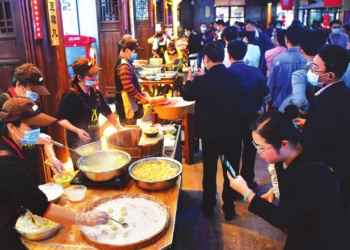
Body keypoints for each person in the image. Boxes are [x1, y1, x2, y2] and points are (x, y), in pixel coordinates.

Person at [227, 108, 350, 249]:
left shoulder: (307, 176)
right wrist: (275, 189)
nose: (259, 153)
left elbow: (283, 218)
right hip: (304, 228)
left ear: (284, 144)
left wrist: (247, 193)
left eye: (262, 148)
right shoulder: (296, 149)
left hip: (321, 240)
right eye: (256, 146)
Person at [0, 97, 109, 249]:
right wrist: (81, 219)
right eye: (32, 127)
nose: (37, 130)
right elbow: (41, 206)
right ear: (12, 127)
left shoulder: (10, 135)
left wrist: (38, 138)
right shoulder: (7, 164)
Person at [182, 41, 242, 221]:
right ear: (223, 56)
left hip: (210, 135)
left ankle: (208, 205)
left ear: (206, 59)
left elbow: (187, 94)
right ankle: (229, 208)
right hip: (232, 133)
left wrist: (192, 80)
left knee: (209, 170)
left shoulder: (201, 81)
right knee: (230, 171)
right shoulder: (235, 77)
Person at [294, 45, 350, 215]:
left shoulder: (328, 102)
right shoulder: (342, 91)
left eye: (316, 67)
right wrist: (309, 122)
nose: (311, 69)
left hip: (328, 168)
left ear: (330, 75)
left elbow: (315, 142)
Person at [0, 63, 64, 185]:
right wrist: (35, 138)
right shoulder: (2, 103)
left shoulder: (33, 105)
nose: (36, 94)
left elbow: (45, 135)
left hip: (31, 159)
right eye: (33, 90)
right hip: (10, 165)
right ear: (19, 85)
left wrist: (52, 158)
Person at [57, 58, 123, 167]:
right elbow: (60, 118)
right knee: (82, 169)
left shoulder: (95, 93)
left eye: (95, 74)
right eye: (90, 75)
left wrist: (118, 128)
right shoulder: (70, 95)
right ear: (79, 77)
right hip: (77, 141)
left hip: (95, 137)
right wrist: (77, 130)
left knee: (98, 165)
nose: (94, 78)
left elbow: (107, 112)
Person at [227, 40, 269, 188]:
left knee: (232, 153)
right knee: (250, 151)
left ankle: (232, 185)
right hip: (252, 117)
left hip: (232, 118)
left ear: (229, 54)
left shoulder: (227, 72)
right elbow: (265, 91)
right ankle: (248, 182)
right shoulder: (255, 71)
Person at [278, 29, 327, 116]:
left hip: (314, 118)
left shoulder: (300, 74)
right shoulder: (341, 68)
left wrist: (306, 108)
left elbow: (299, 101)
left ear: (301, 49)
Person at [114, 40, 156, 126]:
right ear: (127, 50)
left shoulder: (127, 62)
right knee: (129, 132)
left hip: (130, 101)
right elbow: (129, 87)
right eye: (134, 51)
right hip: (125, 104)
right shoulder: (124, 66)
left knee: (132, 129)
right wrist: (141, 98)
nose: (136, 54)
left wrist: (140, 92)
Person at [266, 24, 306, 110]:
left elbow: (271, 84)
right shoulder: (307, 59)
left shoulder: (279, 59)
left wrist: (268, 102)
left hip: (280, 103)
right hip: (301, 105)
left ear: (286, 39)